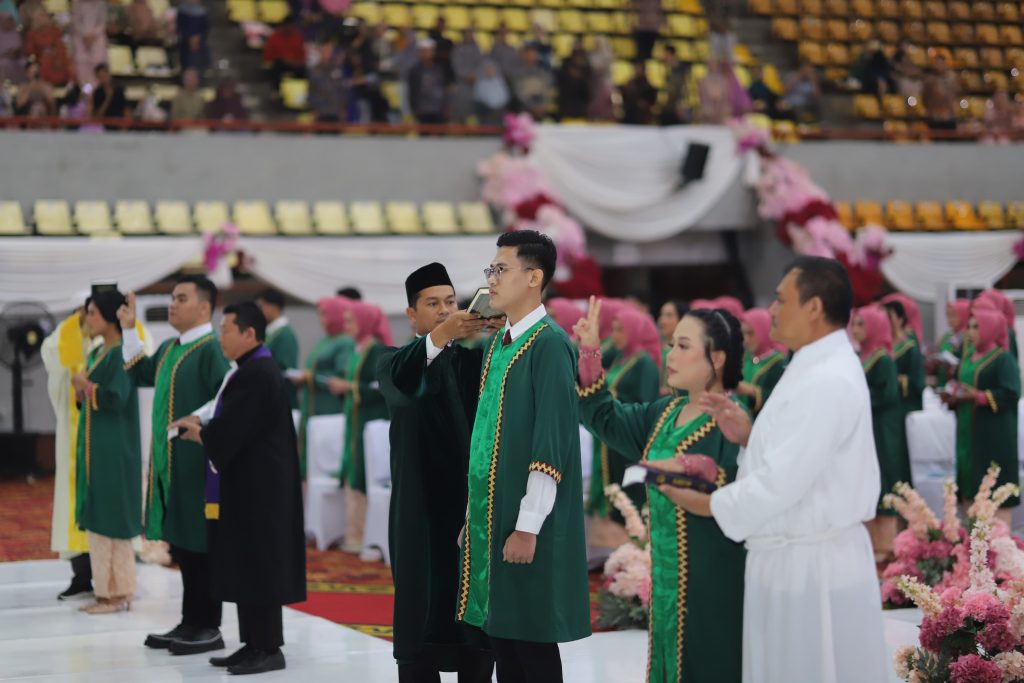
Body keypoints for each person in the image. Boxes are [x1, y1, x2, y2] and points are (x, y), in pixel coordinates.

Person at [664, 256, 889, 683]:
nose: (771, 309)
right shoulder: (813, 365)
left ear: (814, 307)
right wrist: (749, 437)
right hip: (795, 556)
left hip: (810, 567)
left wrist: (706, 503)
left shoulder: (826, 378)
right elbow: (804, 459)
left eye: (782, 299)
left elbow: (782, 482)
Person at [441, 230, 591, 681]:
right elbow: (485, 437)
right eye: (491, 269)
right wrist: (473, 516)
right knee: (503, 640)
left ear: (533, 277)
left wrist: (527, 525)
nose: (491, 279)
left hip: (526, 522)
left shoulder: (549, 344)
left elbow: (551, 442)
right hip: (494, 516)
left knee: (531, 642)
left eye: (501, 269)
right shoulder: (498, 344)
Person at [575, 300, 746, 683]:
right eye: (671, 345)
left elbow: (741, 490)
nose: (671, 355)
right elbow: (604, 417)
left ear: (718, 358)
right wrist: (590, 352)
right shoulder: (665, 413)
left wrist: (693, 475)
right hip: (667, 578)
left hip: (713, 576)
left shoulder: (734, 421)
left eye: (684, 346)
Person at [170, 302, 306, 675]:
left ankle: (269, 648)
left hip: (261, 491)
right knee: (248, 564)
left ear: (249, 334)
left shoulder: (257, 373)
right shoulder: (248, 369)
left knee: (259, 566)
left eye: (227, 329)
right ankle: (252, 644)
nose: (221, 337)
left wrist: (201, 433)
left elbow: (232, 429)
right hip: (249, 485)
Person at [379, 262, 496, 683]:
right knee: (422, 604)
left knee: (473, 614)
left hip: (467, 508)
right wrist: (442, 335)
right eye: (433, 304)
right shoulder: (393, 362)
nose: (445, 310)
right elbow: (405, 383)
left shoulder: (474, 361)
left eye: (450, 301)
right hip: (420, 511)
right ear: (412, 314)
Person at [119, 275, 230, 654]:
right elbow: (139, 372)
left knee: (201, 544)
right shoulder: (170, 347)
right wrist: (129, 328)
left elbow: (226, 396)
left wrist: (198, 420)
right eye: (172, 297)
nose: (172, 304)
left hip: (199, 462)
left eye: (181, 298)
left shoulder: (211, 349)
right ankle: (190, 620)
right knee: (183, 543)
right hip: (172, 463)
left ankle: (209, 625)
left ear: (204, 307)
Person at [72, 290, 141, 615]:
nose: (88, 319)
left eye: (93, 312)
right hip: (97, 446)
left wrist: (85, 386)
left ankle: (118, 593)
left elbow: (116, 397)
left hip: (114, 448)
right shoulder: (99, 351)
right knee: (99, 516)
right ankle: (105, 592)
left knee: (112, 516)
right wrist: (82, 391)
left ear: (112, 316)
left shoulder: (121, 354)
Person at [943, 308, 1020, 525]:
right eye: (969, 326)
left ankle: (997, 537)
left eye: (976, 327)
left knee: (991, 486)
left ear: (991, 329)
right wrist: (954, 397)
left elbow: (1012, 393)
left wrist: (978, 396)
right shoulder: (969, 357)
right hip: (968, 429)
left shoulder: (1002, 359)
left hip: (992, 433)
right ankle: (971, 537)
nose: (970, 332)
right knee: (970, 482)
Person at [586, 307, 661, 532]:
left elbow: (645, 403)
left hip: (629, 435)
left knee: (629, 496)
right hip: (612, 433)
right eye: (614, 329)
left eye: (620, 330)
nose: (614, 335)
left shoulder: (644, 364)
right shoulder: (621, 357)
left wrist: (611, 396)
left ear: (633, 331)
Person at [41, 306, 94, 601]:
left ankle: (114, 579)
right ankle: (82, 575)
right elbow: (52, 356)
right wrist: (75, 325)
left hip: (109, 440)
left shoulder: (114, 340)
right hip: (74, 440)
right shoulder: (66, 338)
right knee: (75, 506)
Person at [332, 300, 391, 555]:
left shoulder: (376, 350)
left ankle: (366, 535)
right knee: (353, 469)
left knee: (364, 471)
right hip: (355, 418)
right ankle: (354, 533)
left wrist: (348, 387)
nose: (346, 325)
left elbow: (380, 387)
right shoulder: (356, 348)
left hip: (370, 419)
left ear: (364, 322)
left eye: (350, 320)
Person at [852, 304, 909, 561]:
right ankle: (870, 542)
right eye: (855, 323)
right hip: (866, 425)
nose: (855, 329)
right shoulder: (859, 355)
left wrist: (857, 399)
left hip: (882, 427)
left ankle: (886, 544)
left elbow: (887, 395)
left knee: (884, 475)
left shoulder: (883, 359)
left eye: (861, 324)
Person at [292, 296, 355, 477]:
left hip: (329, 407)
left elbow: (341, 375)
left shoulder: (345, 342)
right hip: (312, 405)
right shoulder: (325, 340)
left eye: (325, 314)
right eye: (320, 315)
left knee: (325, 458)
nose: (321, 319)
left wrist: (311, 377)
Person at [736, 308, 786, 417]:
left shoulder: (779, 363)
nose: (745, 340)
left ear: (763, 330)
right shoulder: (746, 357)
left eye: (750, 333)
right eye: (743, 333)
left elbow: (781, 400)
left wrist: (750, 391)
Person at [255, 288, 300, 411]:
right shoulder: (271, 333)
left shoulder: (284, 334)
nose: (259, 312)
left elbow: (285, 369)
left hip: (282, 402)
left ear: (274, 307)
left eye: (261, 306)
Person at [883, 300, 925, 416]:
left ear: (900, 319)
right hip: (885, 405)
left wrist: (898, 379)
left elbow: (917, 381)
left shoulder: (910, 348)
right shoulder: (881, 347)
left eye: (890, 317)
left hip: (904, 404)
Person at [407, 39, 447, 125]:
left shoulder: (439, 69)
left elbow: (443, 88)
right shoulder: (415, 70)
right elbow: (412, 91)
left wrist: (445, 106)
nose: (426, 54)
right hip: (422, 110)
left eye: (428, 51)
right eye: (423, 51)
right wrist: (414, 109)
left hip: (438, 109)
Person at [308, 41, 346, 123]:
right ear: (320, 51)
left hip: (335, 111)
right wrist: (313, 109)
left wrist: (342, 108)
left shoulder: (338, 69)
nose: (327, 53)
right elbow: (312, 91)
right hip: (320, 111)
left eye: (329, 50)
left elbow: (342, 90)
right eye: (325, 50)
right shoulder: (314, 70)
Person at [71, 0, 107, 85]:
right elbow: (76, 21)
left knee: (98, 66)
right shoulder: (76, 3)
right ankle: (87, 91)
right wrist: (85, 35)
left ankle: (97, 90)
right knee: (82, 67)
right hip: (80, 40)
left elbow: (102, 21)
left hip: (97, 40)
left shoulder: (100, 3)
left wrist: (93, 36)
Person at [263, 20, 306, 89]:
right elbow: (268, 55)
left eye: (290, 27)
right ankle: (276, 91)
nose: (288, 29)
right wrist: (283, 60)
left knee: (303, 70)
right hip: (278, 63)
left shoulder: (297, 37)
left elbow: (301, 54)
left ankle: (300, 90)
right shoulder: (274, 38)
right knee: (277, 67)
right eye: (287, 27)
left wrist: (296, 62)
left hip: (294, 64)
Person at [450, 28, 482, 123]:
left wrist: (476, 75)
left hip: (476, 84)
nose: (470, 36)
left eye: (471, 34)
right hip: (461, 84)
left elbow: (481, 64)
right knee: (461, 110)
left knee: (475, 113)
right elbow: (456, 66)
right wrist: (466, 75)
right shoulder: (457, 49)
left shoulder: (477, 48)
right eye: (468, 34)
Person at [514, 44, 553, 121]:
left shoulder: (543, 73)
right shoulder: (517, 73)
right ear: (523, 56)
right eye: (529, 55)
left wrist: (540, 106)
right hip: (523, 109)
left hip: (540, 108)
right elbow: (518, 93)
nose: (531, 57)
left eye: (534, 55)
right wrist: (532, 106)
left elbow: (545, 91)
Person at [935, 298, 969, 385]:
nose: (950, 319)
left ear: (964, 315)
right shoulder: (946, 337)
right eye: (948, 315)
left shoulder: (969, 338)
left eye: (953, 315)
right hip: (943, 380)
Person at [656, 300, 687, 393]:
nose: (662, 321)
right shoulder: (657, 348)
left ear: (682, 320)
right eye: (661, 315)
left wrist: (668, 391)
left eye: (669, 315)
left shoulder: (686, 351)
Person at [556, 43, 591, 121]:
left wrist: (579, 76)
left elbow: (588, 85)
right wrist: (571, 75)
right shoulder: (566, 62)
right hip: (566, 99)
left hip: (581, 99)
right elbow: (560, 79)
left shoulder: (586, 64)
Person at [660, 45, 693, 125]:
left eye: (665, 54)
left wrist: (681, 106)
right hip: (670, 107)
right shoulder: (669, 70)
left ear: (670, 54)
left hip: (680, 108)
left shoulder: (682, 70)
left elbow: (683, 89)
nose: (663, 57)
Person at [473, 59, 510, 126]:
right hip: (487, 113)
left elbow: (505, 96)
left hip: (502, 111)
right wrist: (492, 110)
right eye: (488, 69)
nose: (490, 71)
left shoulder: (500, 81)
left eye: (492, 69)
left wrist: (500, 108)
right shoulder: (480, 83)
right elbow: (479, 99)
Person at [620, 60, 658, 125]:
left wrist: (644, 104)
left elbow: (652, 101)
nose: (637, 71)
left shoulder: (648, 86)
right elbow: (624, 98)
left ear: (644, 71)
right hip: (630, 115)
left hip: (642, 117)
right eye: (636, 69)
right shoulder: (629, 84)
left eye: (639, 69)